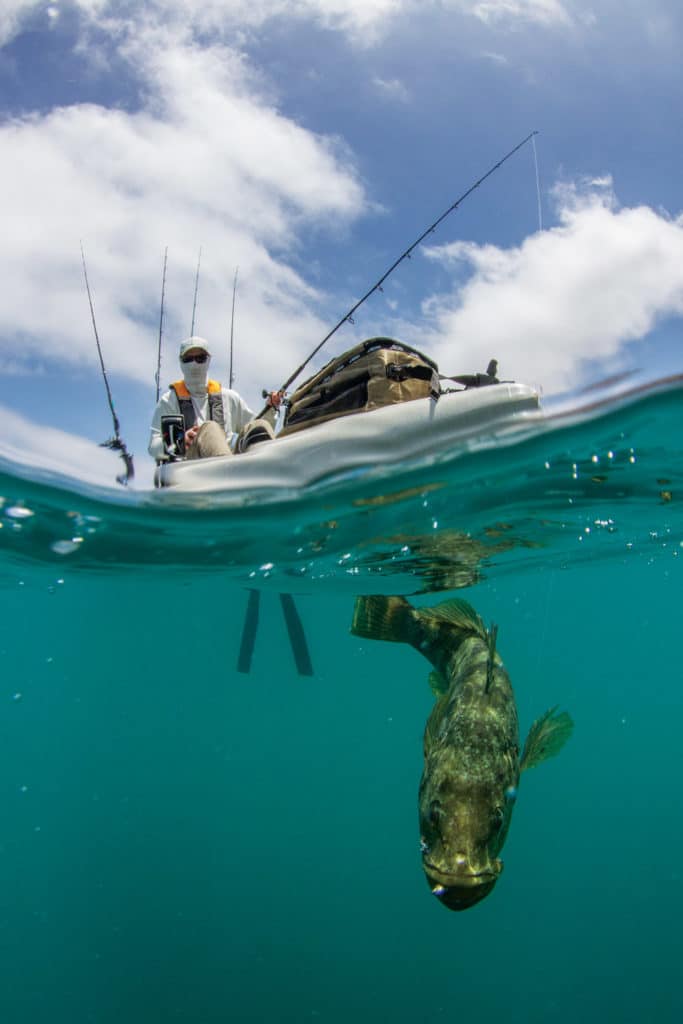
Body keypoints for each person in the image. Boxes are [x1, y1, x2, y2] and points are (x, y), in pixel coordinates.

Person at [148, 336, 283, 462]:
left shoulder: (230, 397)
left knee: (260, 425)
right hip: (189, 469)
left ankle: (267, 472)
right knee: (210, 429)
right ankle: (229, 475)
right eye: (188, 359)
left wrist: (271, 409)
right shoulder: (169, 400)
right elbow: (153, 446)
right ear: (180, 362)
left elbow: (258, 432)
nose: (194, 364)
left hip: (232, 463)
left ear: (208, 360)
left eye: (200, 358)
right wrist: (178, 443)